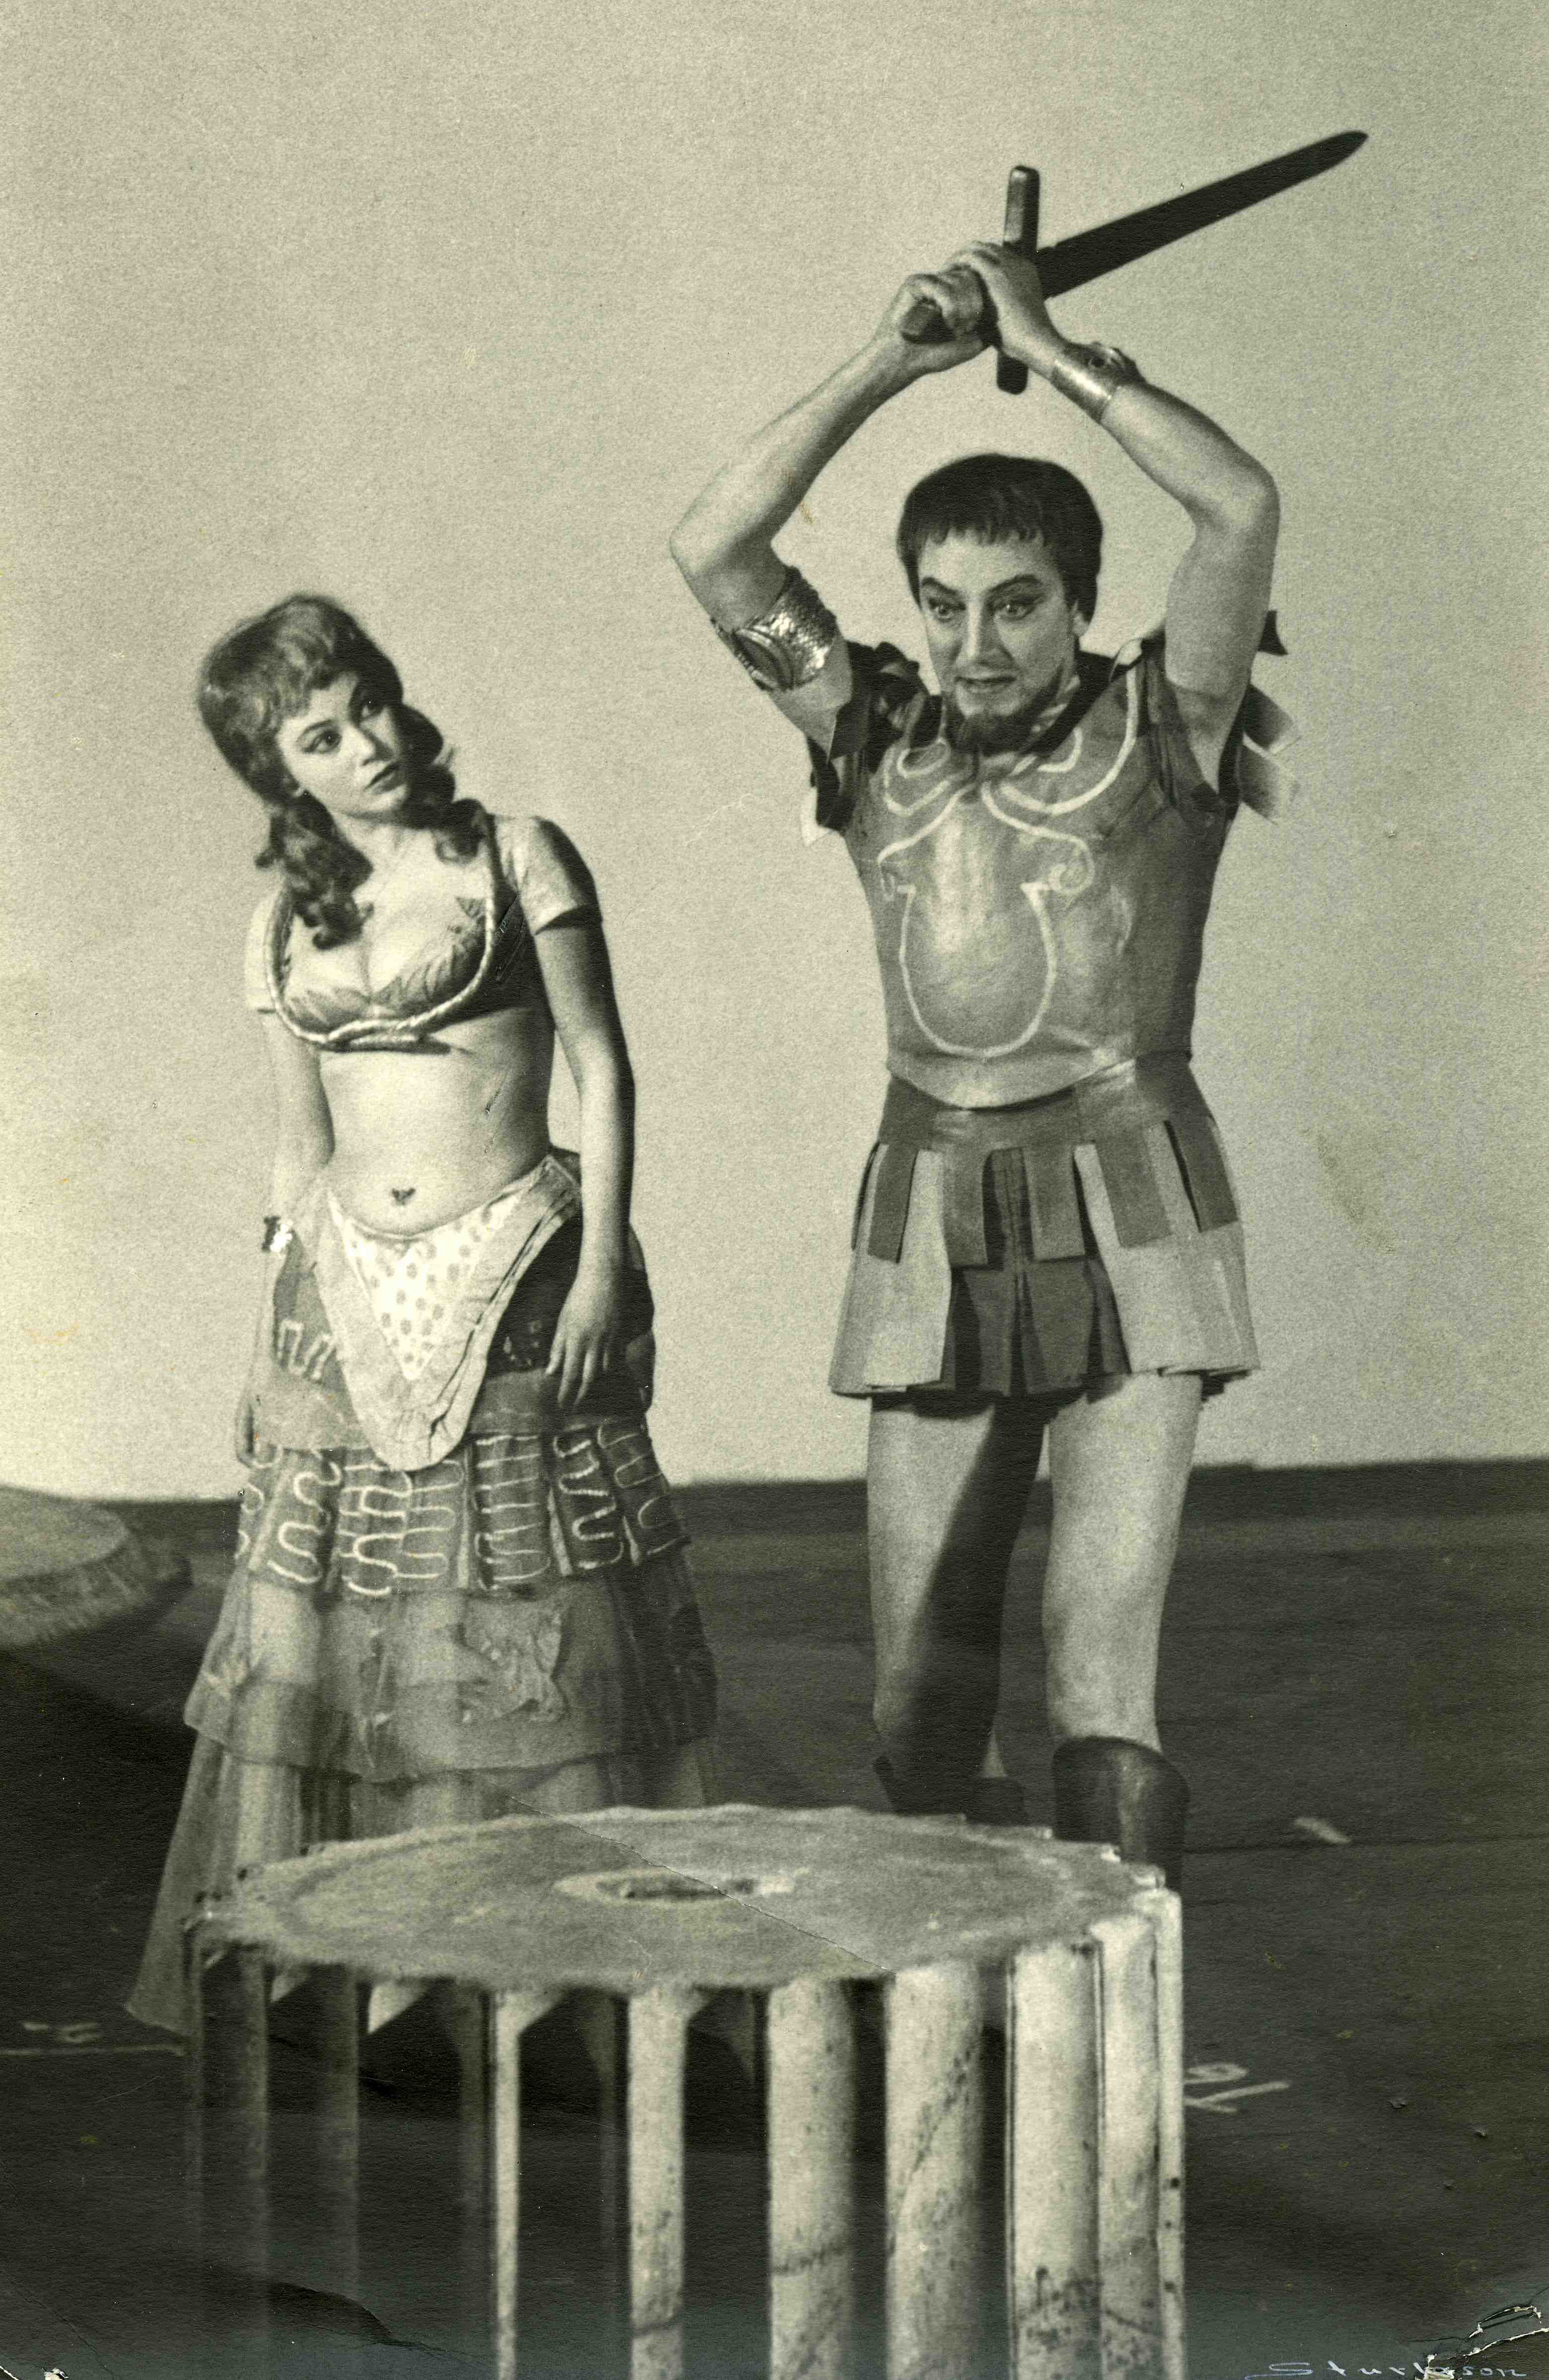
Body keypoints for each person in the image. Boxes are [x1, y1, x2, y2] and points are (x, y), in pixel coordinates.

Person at [669, 240, 1296, 1890]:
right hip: (933, 1203)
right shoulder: (871, 731)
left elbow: (1238, 506)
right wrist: (896, 355)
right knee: (922, 1711)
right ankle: (961, 2013)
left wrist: (1054, 347)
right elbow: (715, 547)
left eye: (1016, 602)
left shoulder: (1172, 720)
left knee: (1099, 1691)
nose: (975, 641)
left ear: (1079, 601)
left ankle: (1122, 2009)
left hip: (1133, 1194)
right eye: (943, 605)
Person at [130, 594, 716, 2031]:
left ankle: (547, 1979)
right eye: (320, 738)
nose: (367, 744)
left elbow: (602, 1065)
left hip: (515, 1261)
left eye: (369, 705)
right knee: (353, 1623)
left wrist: (602, 1263)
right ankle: (382, 1982)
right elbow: (299, 1146)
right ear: (280, 775)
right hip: (341, 1288)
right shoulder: (283, 923)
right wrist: (264, 1340)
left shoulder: (515, 856)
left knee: (517, 1603)